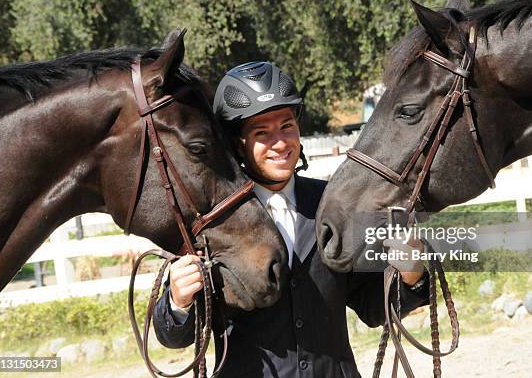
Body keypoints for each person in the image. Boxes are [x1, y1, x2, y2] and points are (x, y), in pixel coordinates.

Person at [153, 61, 429, 377]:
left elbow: (372, 305)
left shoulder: (336, 203)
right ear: (236, 144)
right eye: (262, 133)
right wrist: (178, 299)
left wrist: (410, 273)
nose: (281, 143)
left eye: (287, 126)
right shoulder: (211, 221)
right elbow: (175, 337)